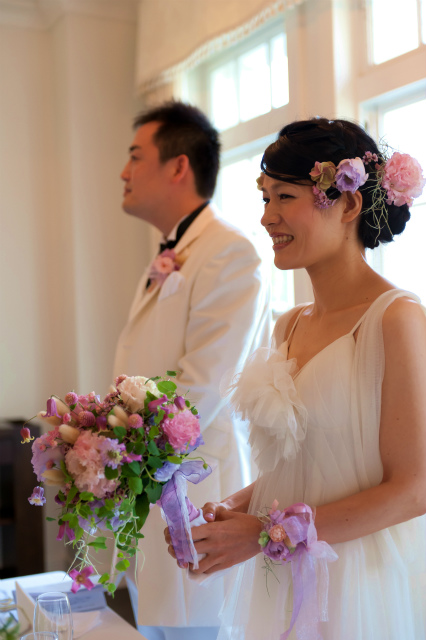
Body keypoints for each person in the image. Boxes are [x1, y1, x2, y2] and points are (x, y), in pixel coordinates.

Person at [166, 117, 426, 639]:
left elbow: (413, 490)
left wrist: (265, 533)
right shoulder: (288, 325)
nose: (267, 217)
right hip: (282, 577)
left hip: (356, 582)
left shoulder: (396, 319)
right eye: (265, 198)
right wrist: (233, 510)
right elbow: (305, 465)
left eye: (285, 196)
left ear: (349, 204)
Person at [114, 101, 270, 640]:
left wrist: (111, 440)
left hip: (199, 488)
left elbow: (203, 384)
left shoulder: (231, 252)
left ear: (178, 165)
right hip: (151, 486)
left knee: (199, 630)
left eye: (135, 156)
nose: (124, 172)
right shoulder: (174, 250)